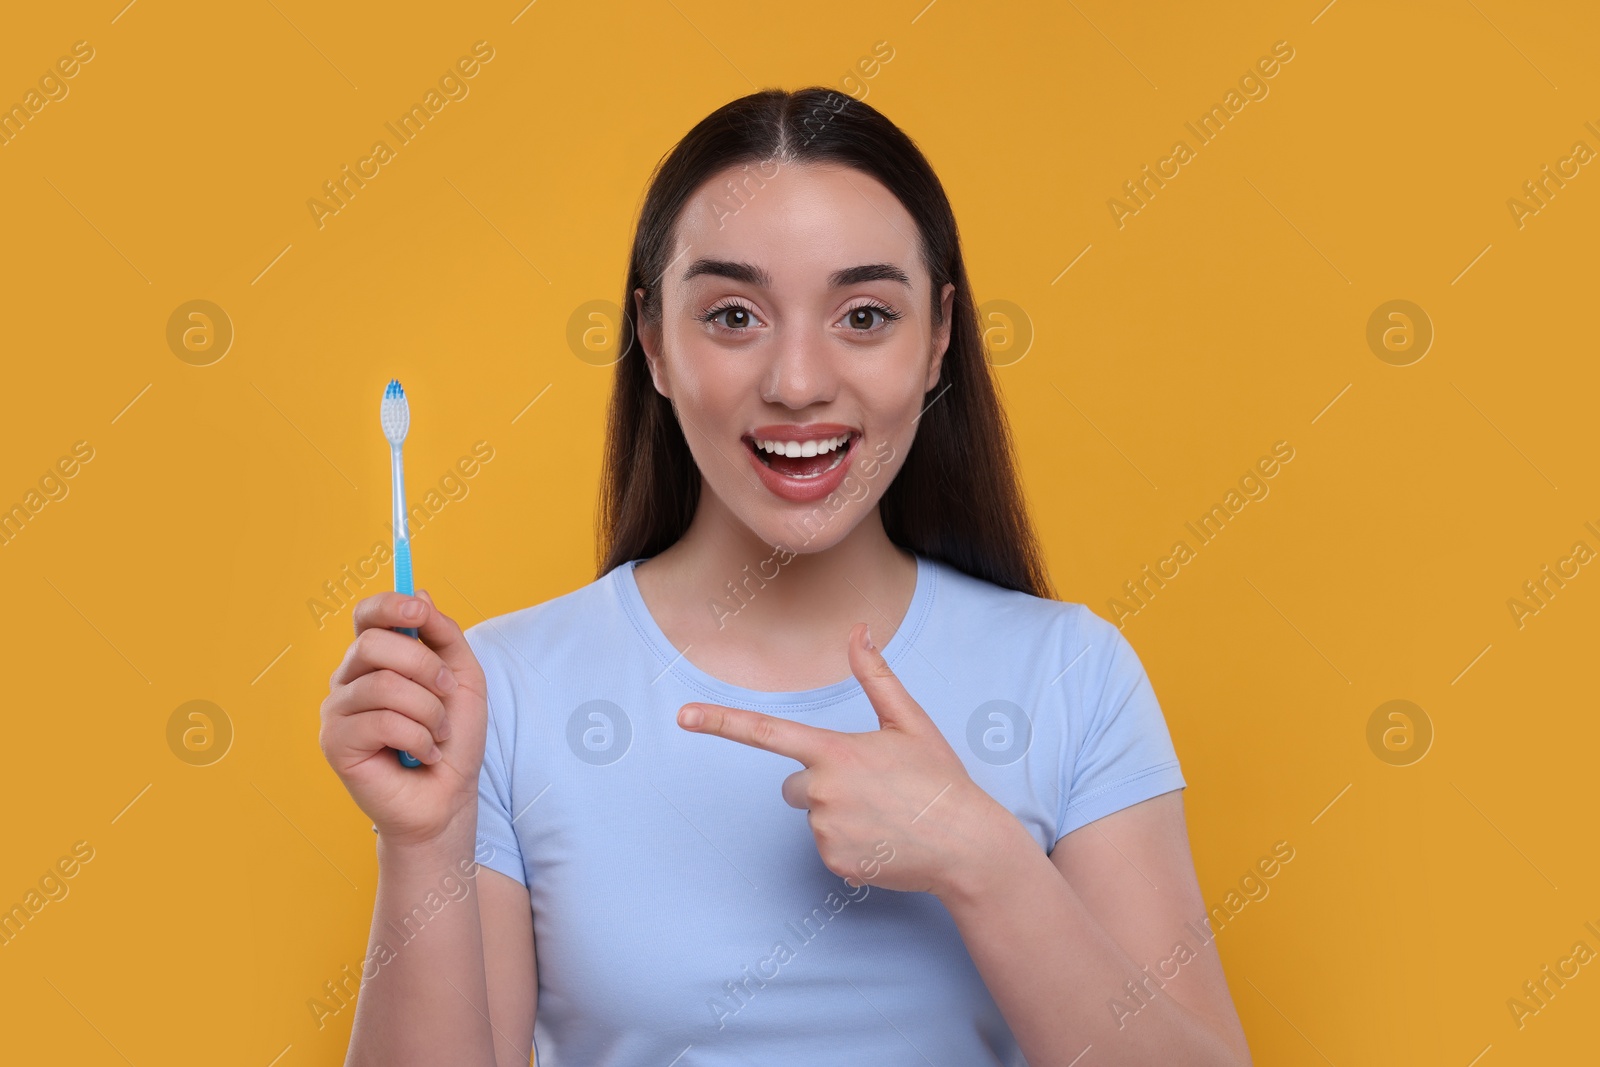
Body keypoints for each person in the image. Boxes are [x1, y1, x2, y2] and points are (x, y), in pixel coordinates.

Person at [320, 86, 1254, 1067]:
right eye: (733, 314)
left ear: (938, 337)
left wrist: (981, 856)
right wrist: (421, 839)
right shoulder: (497, 692)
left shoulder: (1074, 674)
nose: (798, 380)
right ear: (652, 341)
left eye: (862, 315)